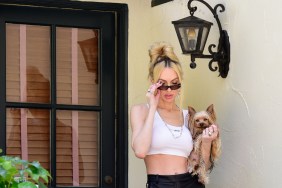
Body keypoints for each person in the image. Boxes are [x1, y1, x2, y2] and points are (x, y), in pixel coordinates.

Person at [130, 42, 219, 188]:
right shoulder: (140, 111)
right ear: (153, 82)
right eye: (163, 84)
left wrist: (207, 142)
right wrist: (153, 107)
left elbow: (204, 165)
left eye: (175, 84)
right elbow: (140, 151)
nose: (170, 90)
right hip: (160, 183)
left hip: (192, 183)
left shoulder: (188, 117)